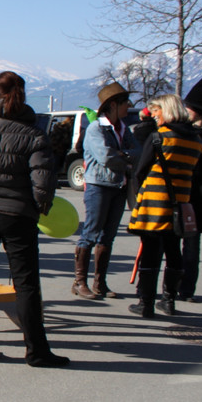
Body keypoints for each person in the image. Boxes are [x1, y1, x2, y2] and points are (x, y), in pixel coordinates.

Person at [0, 72, 70, 367]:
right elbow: (43, 180)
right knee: (26, 282)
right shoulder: (34, 134)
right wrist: (38, 207)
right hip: (17, 213)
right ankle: (36, 350)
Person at [127, 94, 202, 318]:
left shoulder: (160, 137)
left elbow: (141, 170)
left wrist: (140, 194)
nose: (154, 116)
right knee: (174, 250)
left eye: (157, 111)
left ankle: (146, 303)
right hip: (181, 202)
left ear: (167, 110)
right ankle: (168, 300)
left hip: (154, 202)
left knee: (151, 251)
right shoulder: (196, 140)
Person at [72, 82, 137, 300]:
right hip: (98, 187)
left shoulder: (123, 129)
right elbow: (106, 157)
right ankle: (79, 281)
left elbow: (137, 152)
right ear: (113, 105)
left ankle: (100, 283)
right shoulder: (96, 128)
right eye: (125, 102)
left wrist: (123, 155)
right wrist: (126, 157)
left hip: (119, 186)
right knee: (90, 234)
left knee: (107, 237)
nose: (129, 106)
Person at [178, 74, 202, 302]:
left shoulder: (194, 135)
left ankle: (183, 288)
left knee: (189, 243)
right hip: (189, 193)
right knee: (189, 243)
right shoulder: (189, 132)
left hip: (194, 194)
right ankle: (184, 288)